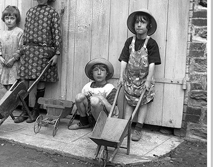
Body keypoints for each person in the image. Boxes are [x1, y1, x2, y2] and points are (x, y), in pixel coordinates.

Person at [14, 0, 62, 123]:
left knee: (40, 81)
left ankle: (35, 111)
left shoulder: (52, 13)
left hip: (44, 51)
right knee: (25, 81)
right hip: (28, 50)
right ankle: (24, 111)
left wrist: (57, 54)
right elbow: (26, 33)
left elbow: (57, 34)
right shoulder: (30, 12)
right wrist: (22, 50)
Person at [118, 8, 161, 141]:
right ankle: (126, 126)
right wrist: (121, 76)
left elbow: (152, 63)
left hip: (144, 79)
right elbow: (124, 59)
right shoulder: (129, 42)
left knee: (143, 103)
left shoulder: (151, 43)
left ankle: (138, 128)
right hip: (130, 79)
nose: (139, 25)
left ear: (148, 26)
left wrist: (148, 80)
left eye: (143, 22)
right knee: (130, 102)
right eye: (137, 22)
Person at [68, 58, 119, 130]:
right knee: (79, 97)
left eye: (102, 70)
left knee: (95, 100)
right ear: (92, 73)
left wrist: (101, 98)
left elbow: (113, 111)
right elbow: (82, 103)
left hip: (104, 119)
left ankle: (100, 126)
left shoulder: (109, 88)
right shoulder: (87, 86)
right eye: (96, 70)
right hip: (90, 116)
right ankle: (84, 122)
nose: (99, 73)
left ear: (106, 73)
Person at [0, 5, 23, 90]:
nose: (9, 21)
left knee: (13, 86)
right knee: (4, 87)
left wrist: (13, 59)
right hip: (4, 65)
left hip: (14, 65)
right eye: (7, 18)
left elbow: (21, 48)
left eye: (12, 18)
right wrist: (1, 58)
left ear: (16, 19)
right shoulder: (2, 33)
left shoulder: (19, 32)